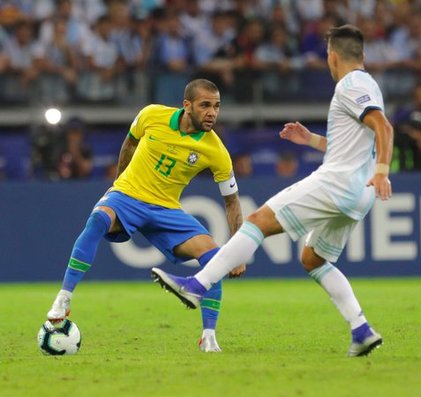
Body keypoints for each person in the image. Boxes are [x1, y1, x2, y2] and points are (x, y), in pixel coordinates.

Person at [151, 25, 394, 357]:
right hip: (358, 194)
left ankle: (197, 285)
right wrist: (309, 140)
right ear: (362, 55)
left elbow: (383, 126)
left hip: (338, 183)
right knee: (313, 259)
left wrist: (383, 171)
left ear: (332, 56)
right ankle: (361, 329)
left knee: (257, 221)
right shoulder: (368, 85)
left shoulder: (351, 84)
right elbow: (352, 145)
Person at [46, 79, 245, 352]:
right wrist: (119, 183)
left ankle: (209, 337)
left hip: (167, 210)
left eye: (217, 106)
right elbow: (129, 143)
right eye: (205, 105)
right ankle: (64, 297)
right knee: (98, 219)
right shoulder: (152, 115)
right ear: (187, 105)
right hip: (128, 196)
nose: (212, 112)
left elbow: (232, 202)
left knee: (214, 256)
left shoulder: (216, 151)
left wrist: (237, 250)